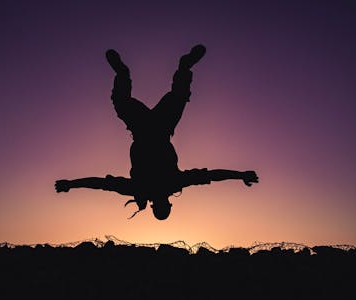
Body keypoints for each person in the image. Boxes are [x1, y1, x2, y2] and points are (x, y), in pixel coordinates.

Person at [55, 45, 259, 220]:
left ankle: (126, 73)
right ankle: (173, 68)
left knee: (156, 98)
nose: (163, 201)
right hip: (158, 128)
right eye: (164, 206)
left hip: (149, 128)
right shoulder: (162, 185)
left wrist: (72, 184)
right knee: (173, 97)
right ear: (166, 205)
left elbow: (102, 184)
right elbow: (211, 176)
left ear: (161, 205)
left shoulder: (148, 188)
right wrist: (71, 184)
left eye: (162, 206)